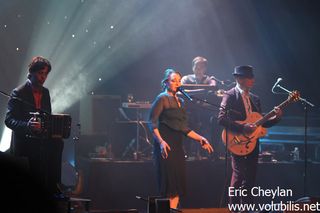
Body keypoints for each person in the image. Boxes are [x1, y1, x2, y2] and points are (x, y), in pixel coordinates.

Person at [217, 65, 282, 210]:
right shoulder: (230, 95)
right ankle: (233, 207)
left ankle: (246, 208)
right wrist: (242, 127)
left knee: (251, 177)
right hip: (237, 140)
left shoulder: (255, 98)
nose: (253, 80)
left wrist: (277, 118)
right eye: (249, 77)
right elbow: (221, 119)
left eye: (252, 77)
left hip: (252, 142)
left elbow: (260, 123)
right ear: (239, 79)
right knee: (238, 175)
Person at [149, 68, 214, 209]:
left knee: (177, 185)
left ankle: (173, 210)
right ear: (166, 82)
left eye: (179, 80)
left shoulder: (181, 101)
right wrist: (160, 142)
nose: (177, 83)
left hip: (178, 147)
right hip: (165, 145)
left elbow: (184, 128)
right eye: (173, 81)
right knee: (169, 184)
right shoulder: (162, 98)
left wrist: (200, 138)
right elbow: (152, 123)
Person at [5, 56, 64, 198]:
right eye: (40, 73)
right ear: (31, 72)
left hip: (41, 139)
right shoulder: (18, 92)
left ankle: (53, 187)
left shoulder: (46, 93)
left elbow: (47, 116)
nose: (43, 77)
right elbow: (9, 120)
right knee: (37, 154)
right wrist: (28, 125)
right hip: (25, 141)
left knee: (58, 143)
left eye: (45, 74)